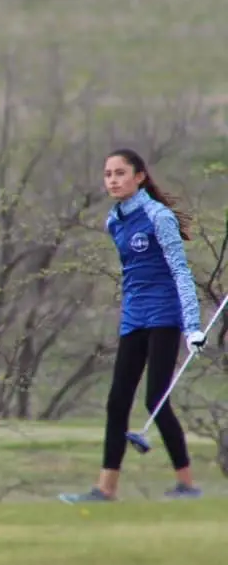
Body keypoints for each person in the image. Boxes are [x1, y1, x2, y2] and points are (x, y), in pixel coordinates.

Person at [60, 149, 206, 504]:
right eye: (108, 173)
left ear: (139, 176)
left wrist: (193, 326)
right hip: (133, 318)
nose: (112, 179)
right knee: (116, 402)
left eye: (120, 173)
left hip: (165, 317)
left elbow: (180, 272)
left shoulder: (159, 217)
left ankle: (186, 484)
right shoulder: (114, 221)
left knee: (156, 398)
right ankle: (105, 488)